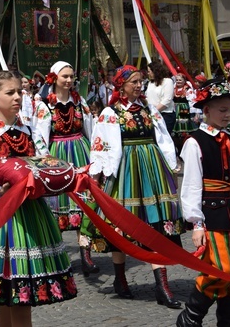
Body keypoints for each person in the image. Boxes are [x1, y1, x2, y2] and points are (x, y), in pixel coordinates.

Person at [0, 71, 76, 326]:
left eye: (19, 91)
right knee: (18, 297)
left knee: (16, 299)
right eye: (10, 92)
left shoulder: (29, 130)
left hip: (31, 219)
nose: (18, 97)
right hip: (0, 222)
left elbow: (45, 164)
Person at [89, 65, 184, 308]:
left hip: (151, 170)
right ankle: (120, 279)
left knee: (155, 227)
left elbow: (162, 136)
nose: (138, 85)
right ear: (121, 85)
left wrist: (170, 162)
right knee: (121, 224)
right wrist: (98, 176)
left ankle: (162, 287)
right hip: (124, 171)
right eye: (133, 81)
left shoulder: (149, 109)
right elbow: (100, 145)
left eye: (140, 81)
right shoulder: (110, 113)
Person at [177, 79, 230, 327]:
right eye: (222, 110)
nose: (228, 115)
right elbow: (191, 184)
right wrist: (196, 223)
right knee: (220, 269)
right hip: (211, 214)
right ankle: (190, 316)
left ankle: (227, 322)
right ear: (206, 110)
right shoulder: (194, 141)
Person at [33, 61, 98, 276]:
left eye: (71, 76)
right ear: (54, 78)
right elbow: (40, 138)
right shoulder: (45, 105)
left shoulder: (80, 103)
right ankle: (58, 255)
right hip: (57, 156)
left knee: (85, 204)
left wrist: (96, 158)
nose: (69, 80)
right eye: (65, 77)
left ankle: (86, 254)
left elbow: (92, 131)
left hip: (80, 152)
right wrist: (46, 162)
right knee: (57, 205)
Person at [147, 61, 176, 134]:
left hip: (165, 115)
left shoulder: (168, 81)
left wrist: (154, 111)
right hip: (152, 114)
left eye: (149, 71)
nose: (148, 73)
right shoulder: (150, 83)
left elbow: (167, 100)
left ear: (155, 71)